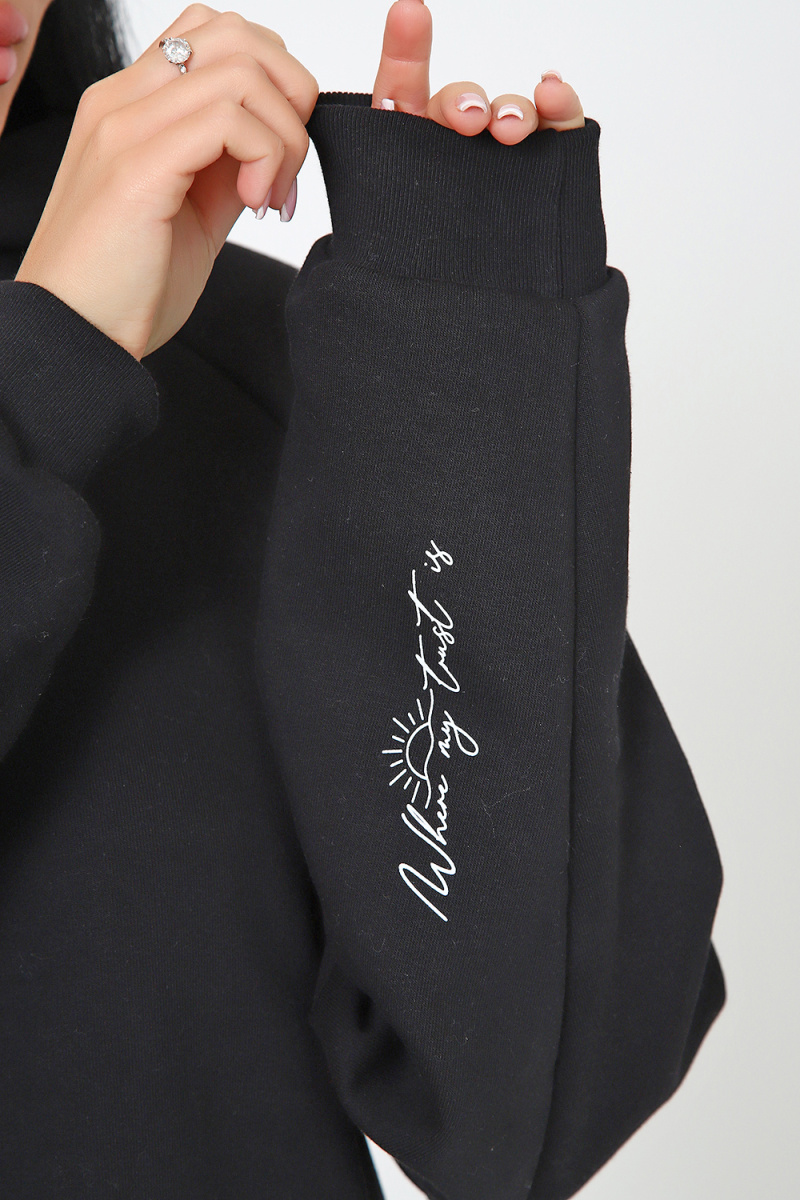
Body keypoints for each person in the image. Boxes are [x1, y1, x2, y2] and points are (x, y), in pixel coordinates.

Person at [0, 1, 725, 1197]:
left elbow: (527, 1117)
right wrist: (46, 364)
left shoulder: (220, 359)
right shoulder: (86, 357)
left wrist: (455, 364)